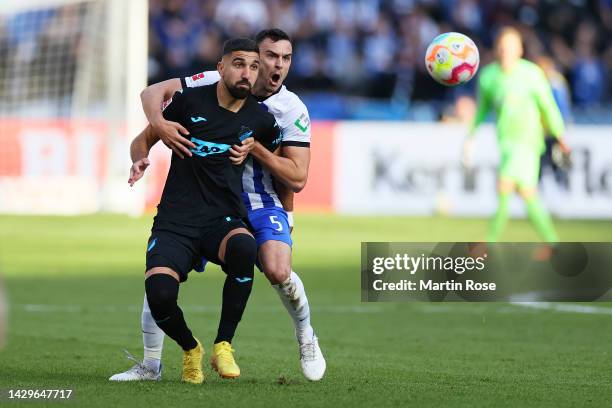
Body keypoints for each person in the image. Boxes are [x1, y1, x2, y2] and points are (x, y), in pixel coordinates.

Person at [110, 29, 325, 382]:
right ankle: (151, 364)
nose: (276, 66)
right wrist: (160, 125)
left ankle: (304, 334)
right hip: (202, 198)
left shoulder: (288, 110)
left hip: (257, 199)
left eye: (285, 59)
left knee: (276, 269)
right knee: (162, 279)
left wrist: (286, 215)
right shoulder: (213, 82)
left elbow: (296, 177)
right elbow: (152, 93)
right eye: (270, 56)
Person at [462, 27, 570, 244]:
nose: (506, 52)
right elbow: (483, 109)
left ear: (520, 49)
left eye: (510, 47)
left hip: (527, 141)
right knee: (528, 195)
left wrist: (560, 136)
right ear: (497, 50)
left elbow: (548, 107)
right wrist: (471, 135)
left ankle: (488, 243)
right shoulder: (489, 77)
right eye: (502, 47)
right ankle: (553, 243)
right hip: (505, 141)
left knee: (504, 186)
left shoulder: (531, 74)